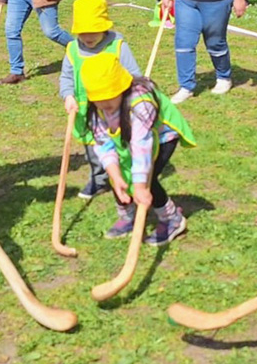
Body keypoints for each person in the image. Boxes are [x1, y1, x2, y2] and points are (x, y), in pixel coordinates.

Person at [78, 53, 196, 245]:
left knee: (149, 178)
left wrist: (141, 186)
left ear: (122, 89)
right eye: (100, 99)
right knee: (120, 177)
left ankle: (172, 219)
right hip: (127, 136)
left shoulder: (141, 103)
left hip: (161, 136)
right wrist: (115, 176)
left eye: (110, 97)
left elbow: (142, 146)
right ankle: (127, 217)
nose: (105, 104)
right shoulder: (95, 109)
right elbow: (103, 143)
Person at [60, 0, 143, 199]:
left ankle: (130, 178)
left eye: (93, 32)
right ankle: (98, 180)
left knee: (123, 145)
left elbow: (134, 76)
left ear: (104, 27)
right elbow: (67, 77)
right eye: (83, 33)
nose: (88, 37)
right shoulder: (73, 50)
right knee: (95, 148)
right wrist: (68, 95)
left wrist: (134, 100)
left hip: (116, 108)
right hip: (86, 110)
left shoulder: (116, 46)